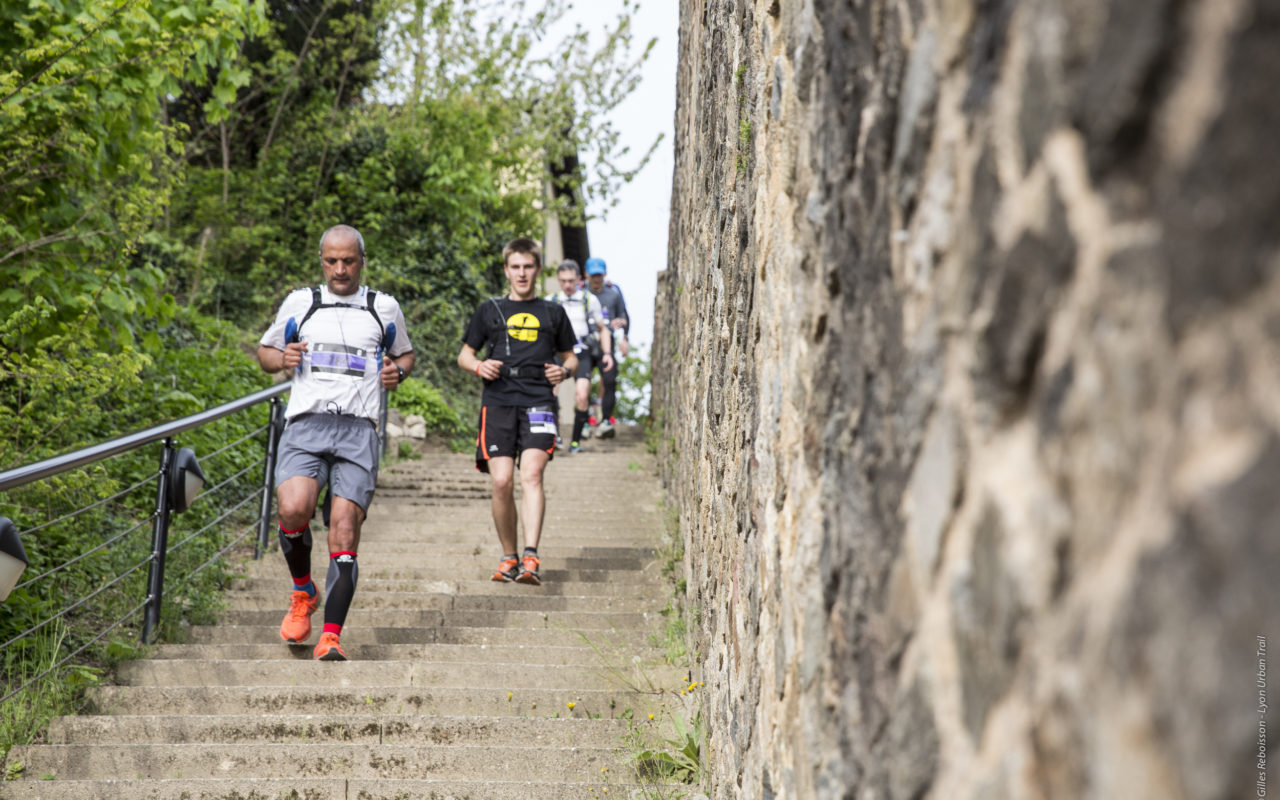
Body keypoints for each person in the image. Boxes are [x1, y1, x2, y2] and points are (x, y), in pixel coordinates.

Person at [257, 224, 414, 661]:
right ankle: (303, 590)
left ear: (363, 260)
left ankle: (330, 635)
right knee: (293, 507)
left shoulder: (382, 307)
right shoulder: (301, 303)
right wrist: (281, 358)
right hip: (306, 425)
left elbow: (405, 354)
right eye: (332, 261)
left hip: (358, 431)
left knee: (344, 528)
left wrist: (397, 372)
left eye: (348, 261)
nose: (340, 270)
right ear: (321, 260)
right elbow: (266, 352)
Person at [457, 238, 576, 586]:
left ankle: (530, 556)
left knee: (532, 475)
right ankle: (508, 557)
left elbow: (571, 357)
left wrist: (564, 371)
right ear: (507, 270)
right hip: (498, 401)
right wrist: (479, 367)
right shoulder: (489, 310)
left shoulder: (553, 312)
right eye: (516, 267)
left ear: (538, 270)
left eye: (528, 267)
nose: (522, 273)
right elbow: (465, 354)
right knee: (501, 480)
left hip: (539, 398)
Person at [547, 260, 613, 453]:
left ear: (578, 279)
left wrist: (607, 353)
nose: (567, 285)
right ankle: (555, 436)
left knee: (582, 395)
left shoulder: (588, 299)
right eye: (563, 281)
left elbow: (603, 328)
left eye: (571, 281)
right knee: (551, 392)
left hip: (581, 351)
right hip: (556, 351)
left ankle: (575, 442)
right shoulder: (551, 300)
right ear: (559, 280)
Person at [583, 257, 630, 438]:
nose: (596, 279)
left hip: (606, 344)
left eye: (599, 275)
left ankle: (605, 421)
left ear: (604, 274)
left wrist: (624, 337)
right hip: (586, 343)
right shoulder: (581, 294)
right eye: (593, 275)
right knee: (584, 382)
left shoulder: (614, 294)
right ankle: (585, 419)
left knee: (609, 380)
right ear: (587, 275)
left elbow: (624, 316)